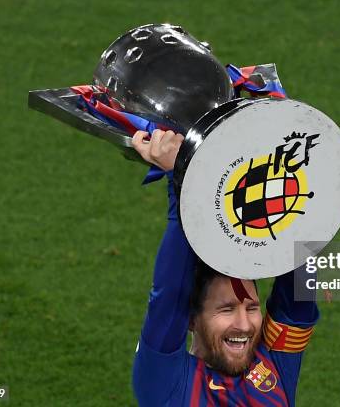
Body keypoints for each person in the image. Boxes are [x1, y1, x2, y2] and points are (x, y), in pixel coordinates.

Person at [131, 129, 318, 406]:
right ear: (191, 319)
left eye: (251, 308)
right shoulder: (166, 384)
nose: (244, 325)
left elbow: (298, 266)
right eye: (226, 309)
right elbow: (169, 294)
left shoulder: (274, 363)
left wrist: (283, 155)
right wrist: (181, 181)